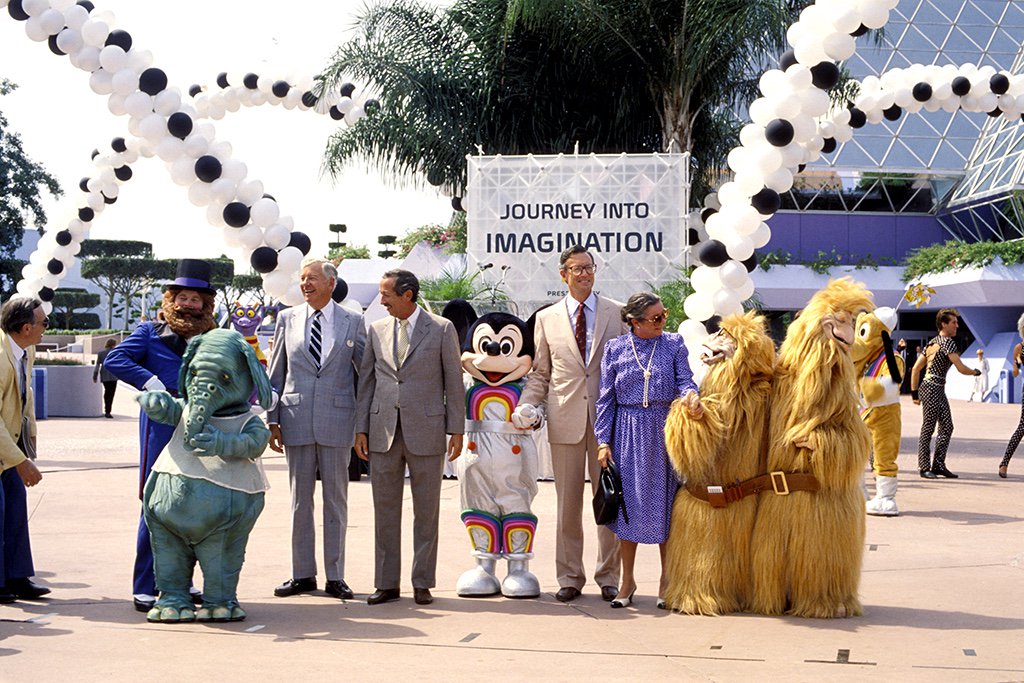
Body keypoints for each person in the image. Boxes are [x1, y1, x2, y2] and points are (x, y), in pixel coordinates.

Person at [103, 259, 218, 611]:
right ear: (170, 299)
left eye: (196, 299)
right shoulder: (149, 333)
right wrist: (149, 381)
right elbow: (114, 360)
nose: (188, 304)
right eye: (182, 297)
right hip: (161, 428)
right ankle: (145, 584)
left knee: (196, 508)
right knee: (156, 505)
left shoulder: (214, 336)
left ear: (205, 305)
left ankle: (181, 583)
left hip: (201, 429)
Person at [513, 245, 627, 603]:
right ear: (563, 274)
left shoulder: (616, 313)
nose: (584, 274)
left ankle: (609, 576)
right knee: (567, 504)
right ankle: (569, 577)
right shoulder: (547, 318)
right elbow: (541, 373)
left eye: (589, 267)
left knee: (608, 498)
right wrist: (526, 405)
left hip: (609, 421)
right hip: (565, 419)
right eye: (576, 269)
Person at [354, 269, 464, 606]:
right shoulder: (376, 330)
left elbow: (453, 382)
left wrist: (456, 429)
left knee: (426, 511)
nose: (382, 301)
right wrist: (361, 428)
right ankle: (386, 583)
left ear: (408, 295)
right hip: (383, 432)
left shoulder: (442, 329)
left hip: (427, 431)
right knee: (384, 510)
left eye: (386, 294)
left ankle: (422, 582)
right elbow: (367, 383)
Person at [267, 259, 365, 601]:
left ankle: (335, 575)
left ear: (331, 282)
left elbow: (365, 376)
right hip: (295, 419)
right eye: (302, 279)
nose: (305, 284)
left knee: (335, 501)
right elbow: (276, 373)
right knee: (299, 501)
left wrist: (363, 425)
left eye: (311, 279)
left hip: (338, 420)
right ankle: (302, 574)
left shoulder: (353, 320)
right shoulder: (286, 318)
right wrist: (272, 418)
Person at [594, 292, 698, 608]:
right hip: (626, 433)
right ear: (635, 322)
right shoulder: (614, 350)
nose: (662, 321)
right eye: (655, 318)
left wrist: (692, 396)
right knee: (630, 509)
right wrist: (602, 441)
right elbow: (606, 399)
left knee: (665, 508)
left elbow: (686, 381)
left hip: (663, 432)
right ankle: (627, 581)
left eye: (663, 314)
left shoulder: (674, 344)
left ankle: (667, 581)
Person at [0, 296, 48, 603]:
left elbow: (25, 395)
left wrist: (27, 446)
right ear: (26, 327)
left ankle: (17, 577)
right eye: (44, 323)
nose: (46, 328)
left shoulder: (25, 350)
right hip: (3, 444)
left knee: (15, 509)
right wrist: (20, 461)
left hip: (12, 441)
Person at [910, 308, 982, 479]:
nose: (957, 325)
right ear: (944, 324)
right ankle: (925, 466)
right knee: (929, 426)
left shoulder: (932, 342)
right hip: (933, 387)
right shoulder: (947, 342)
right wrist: (975, 372)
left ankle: (938, 465)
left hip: (933, 387)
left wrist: (915, 393)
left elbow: (915, 369)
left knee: (946, 426)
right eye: (954, 322)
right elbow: (960, 368)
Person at [998, 313, 1024, 478]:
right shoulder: (1019, 348)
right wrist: (1017, 364)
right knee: (1022, 428)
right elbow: (1015, 372)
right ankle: (1004, 463)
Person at [93, 338, 119, 418]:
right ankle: (108, 411)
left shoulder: (101, 353)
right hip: (114, 375)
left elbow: (97, 365)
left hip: (104, 375)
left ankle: (106, 409)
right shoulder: (116, 352)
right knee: (111, 394)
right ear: (113, 344)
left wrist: (95, 375)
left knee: (107, 392)